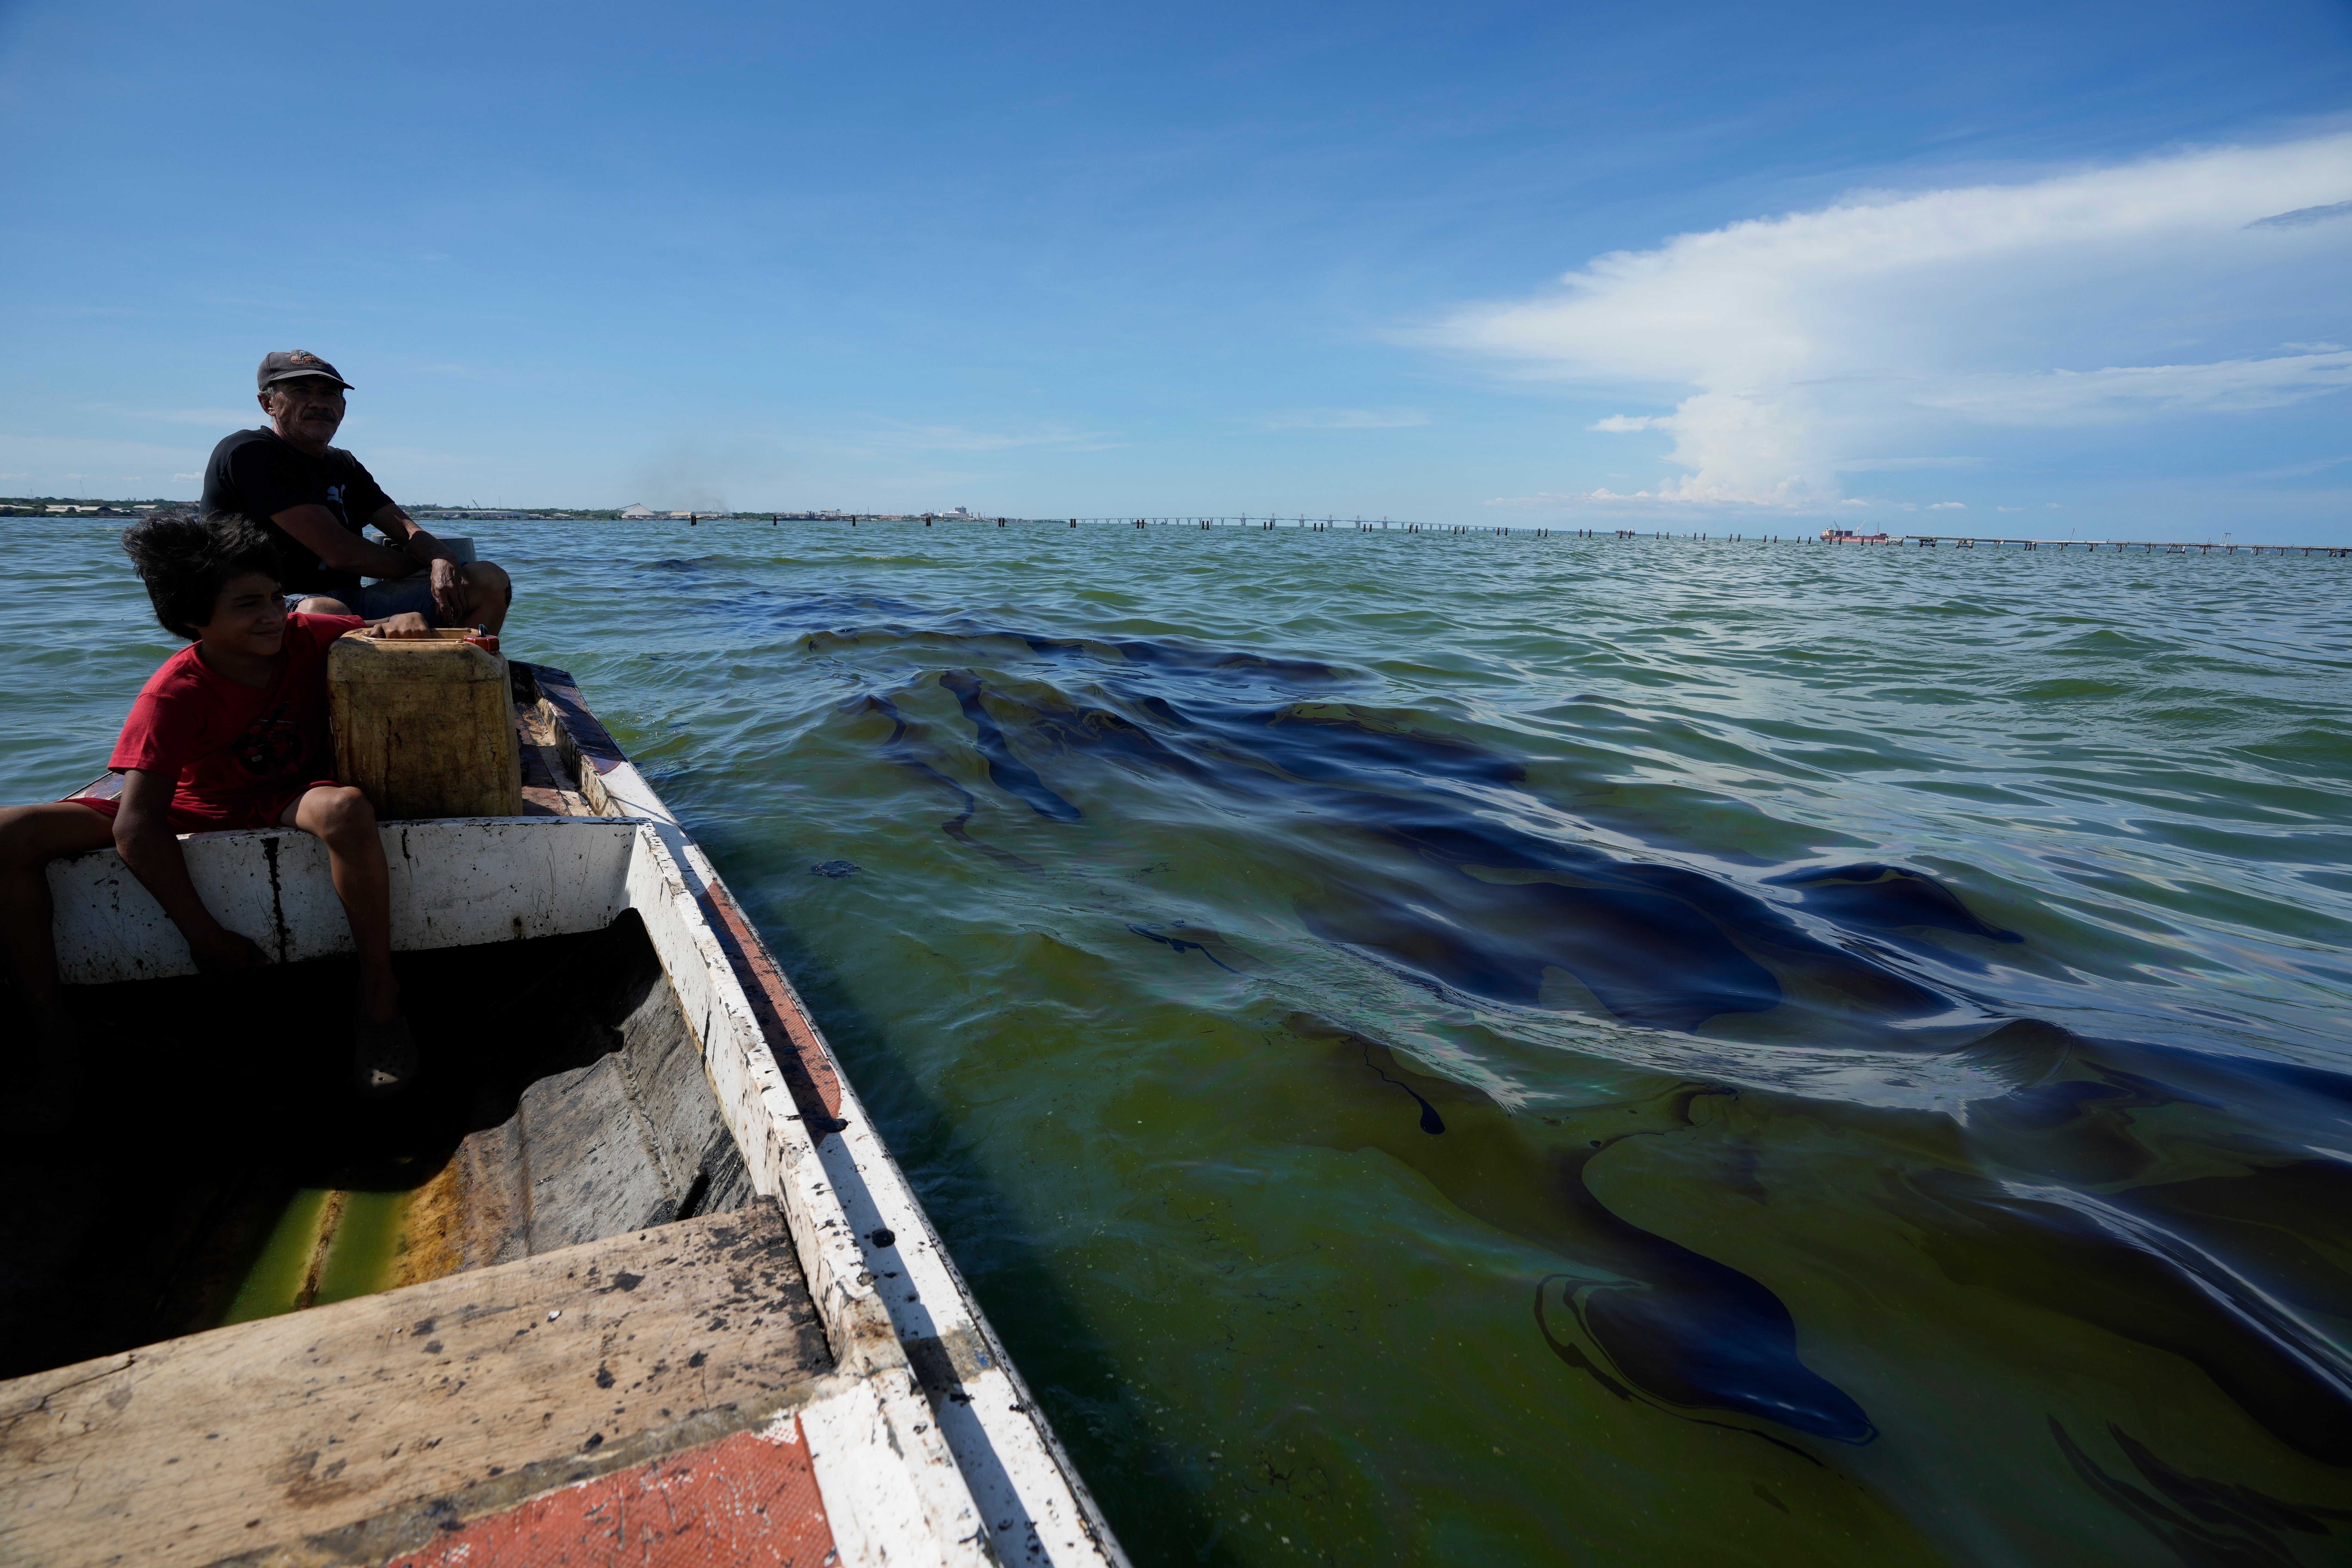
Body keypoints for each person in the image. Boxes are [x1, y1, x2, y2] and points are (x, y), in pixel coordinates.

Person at [0, 513, 428, 1095]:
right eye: (248, 604)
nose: (273, 615)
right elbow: (137, 826)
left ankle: (380, 997)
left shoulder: (307, 635)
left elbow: (376, 627)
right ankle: (55, 1039)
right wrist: (202, 935)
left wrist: (401, 622)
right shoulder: (173, 694)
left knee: (346, 809)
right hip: (195, 804)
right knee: (10, 832)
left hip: (284, 796)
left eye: (278, 597)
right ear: (192, 619)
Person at [201, 350, 512, 632]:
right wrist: (431, 569)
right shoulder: (250, 452)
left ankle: (460, 676)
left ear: (344, 406)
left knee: (488, 581)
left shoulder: (343, 463)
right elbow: (341, 553)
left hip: (348, 601)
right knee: (322, 611)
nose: (320, 403)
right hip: (268, 606)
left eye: (329, 394)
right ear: (268, 403)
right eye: (301, 391)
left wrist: (443, 558)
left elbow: (404, 527)